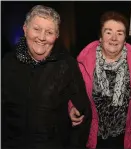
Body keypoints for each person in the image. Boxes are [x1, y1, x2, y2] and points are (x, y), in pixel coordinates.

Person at [2, 5, 91, 149]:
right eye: (36, 29)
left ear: (56, 36)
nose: (42, 37)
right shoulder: (7, 62)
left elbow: (83, 113)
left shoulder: (67, 65)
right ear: (25, 29)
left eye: (49, 32)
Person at [68, 11, 131, 149]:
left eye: (120, 33)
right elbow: (72, 90)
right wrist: (72, 107)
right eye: (108, 32)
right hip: (93, 136)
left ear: (125, 39)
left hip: (125, 137)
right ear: (100, 37)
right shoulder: (83, 62)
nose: (114, 38)